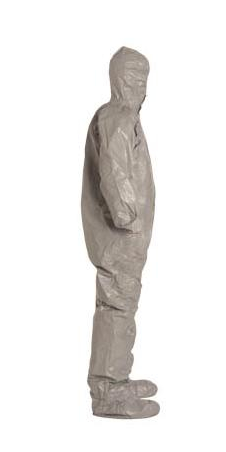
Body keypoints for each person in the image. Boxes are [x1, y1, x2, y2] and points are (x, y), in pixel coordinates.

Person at [81, 46, 159, 418]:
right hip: (120, 238)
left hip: (126, 239)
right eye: (134, 78)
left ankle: (116, 377)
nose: (141, 86)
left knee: (121, 308)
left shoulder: (122, 116)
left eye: (144, 78)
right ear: (119, 78)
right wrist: (129, 219)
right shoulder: (117, 117)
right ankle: (108, 391)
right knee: (116, 308)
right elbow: (114, 174)